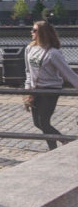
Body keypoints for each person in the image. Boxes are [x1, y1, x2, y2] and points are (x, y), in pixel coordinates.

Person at [24, 20, 78, 150]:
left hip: (50, 90)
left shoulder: (53, 52)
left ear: (43, 33)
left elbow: (67, 72)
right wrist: (28, 88)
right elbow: (28, 70)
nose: (32, 32)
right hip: (35, 90)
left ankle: (55, 148)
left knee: (44, 121)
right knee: (37, 123)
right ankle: (62, 143)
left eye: (35, 30)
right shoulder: (30, 48)